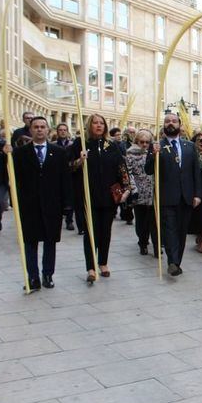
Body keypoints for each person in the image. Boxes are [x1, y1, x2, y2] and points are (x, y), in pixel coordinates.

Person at [9, 116, 73, 291]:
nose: (39, 129)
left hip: (52, 204)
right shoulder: (20, 153)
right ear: (30, 130)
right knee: (30, 242)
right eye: (35, 127)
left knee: (50, 241)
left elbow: (65, 179)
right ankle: (33, 277)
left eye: (42, 127)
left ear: (47, 130)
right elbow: (14, 179)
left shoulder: (59, 152)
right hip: (29, 205)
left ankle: (47, 274)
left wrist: (67, 203)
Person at [69, 114, 132, 284]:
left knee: (106, 231)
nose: (98, 126)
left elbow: (121, 167)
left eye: (101, 123)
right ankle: (90, 267)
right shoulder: (80, 144)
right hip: (88, 195)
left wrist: (126, 188)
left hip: (109, 196)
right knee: (91, 232)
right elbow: (69, 166)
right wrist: (79, 161)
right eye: (95, 123)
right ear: (89, 125)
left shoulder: (111, 145)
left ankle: (103, 262)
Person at [145, 113, 202, 277]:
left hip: (186, 196)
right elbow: (148, 170)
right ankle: (172, 261)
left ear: (180, 124)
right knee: (169, 230)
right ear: (163, 125)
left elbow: (195, 172)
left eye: (174, 121)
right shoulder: (157, 145)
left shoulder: (189, 146)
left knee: (181, 231)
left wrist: (198, 194)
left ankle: (176, 262)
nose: (171, 123)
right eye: (167, 121)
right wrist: (153, 155)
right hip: (166, 196)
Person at [126, 129, 157, 256]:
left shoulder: (154, 153)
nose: (144, 145)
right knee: (141, 220)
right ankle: (142, 242)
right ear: (137, 141)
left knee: (153, 220)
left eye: (147, 142)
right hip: (139, 191)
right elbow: (129, 173)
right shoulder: (130, 154)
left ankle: (156, 244)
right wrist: (133, 189)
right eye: (142, 142)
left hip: (153, 190)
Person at [53, 123, 76, 231]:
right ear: (57, 132)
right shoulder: (52, 145)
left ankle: (69, 220)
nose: (62, 132)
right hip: (56, 175)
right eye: (60, 130)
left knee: (69, 198)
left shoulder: (72, 145)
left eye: (64, 130)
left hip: (70, 174)